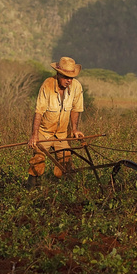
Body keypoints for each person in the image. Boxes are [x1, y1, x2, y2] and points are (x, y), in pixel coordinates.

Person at [25, 56, 85, 188]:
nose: (68, 80)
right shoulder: (47, 85)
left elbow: (76, 109)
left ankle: (62, 191)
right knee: (38, 159)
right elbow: (39, 111)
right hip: (45, 131)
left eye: (71, 78)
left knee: (65, 160)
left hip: (62, 133)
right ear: (58, 74)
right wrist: (34, 135)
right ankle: (31, 189)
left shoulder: (76, 87)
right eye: (65, 77)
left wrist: (74, 129)